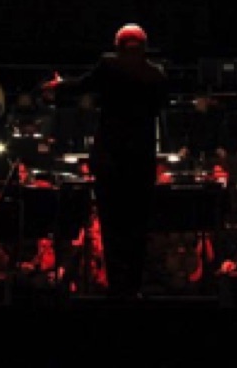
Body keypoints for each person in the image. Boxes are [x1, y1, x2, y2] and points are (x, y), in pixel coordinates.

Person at [44, 23, 167, 301]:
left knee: (113, 228)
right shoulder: (157, 75)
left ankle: (117, 288)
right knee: (137, 229)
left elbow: (82, 85)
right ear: (144, 47)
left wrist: (59, 85)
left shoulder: (109, 66)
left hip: (111, 163)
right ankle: (134, 288)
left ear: (117, 46)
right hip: (141, 165)